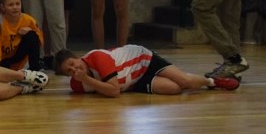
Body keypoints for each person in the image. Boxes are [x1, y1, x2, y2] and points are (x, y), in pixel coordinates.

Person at [55, 44, 240, 97]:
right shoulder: (76, 85)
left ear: (78, 57)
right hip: (133, 82)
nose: (74, 69)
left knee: (184, 81)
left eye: (72, 63)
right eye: (69, 71)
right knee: (174, 89)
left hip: (143, 60)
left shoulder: (97, 58)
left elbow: (114, 91)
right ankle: (201, 81)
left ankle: (213, 81)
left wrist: (87, 79)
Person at [0, 0, 44, 71]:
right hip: (3, 60)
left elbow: (39, 40)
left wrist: (30, 30)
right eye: (10, 5)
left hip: (17, 57)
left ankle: (35, 71)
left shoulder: (28, 20)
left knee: (32, 35)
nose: (15, 7)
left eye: (17, 4)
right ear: (2, 7)